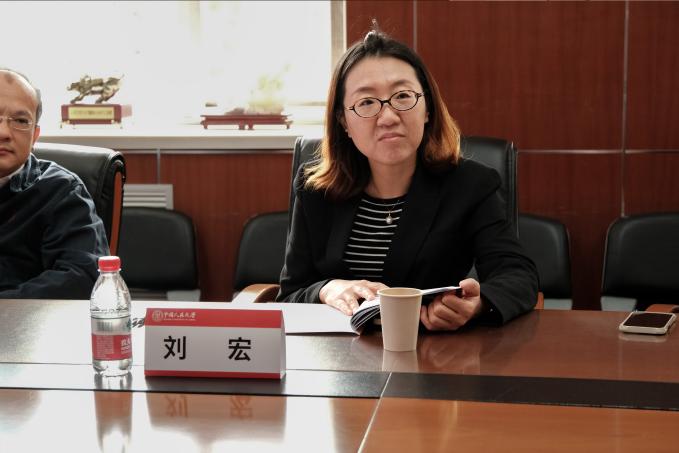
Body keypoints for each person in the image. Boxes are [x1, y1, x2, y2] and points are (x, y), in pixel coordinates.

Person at [277, 27, 539, 330]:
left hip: (434, 350)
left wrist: (478, 305)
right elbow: (291, 294)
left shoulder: (471, 185)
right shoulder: (315, 189)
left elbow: (518, 276)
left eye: (402, 96)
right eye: (366, 102)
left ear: (427, 109)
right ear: (343, 121)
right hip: (337, 354)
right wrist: (326, 289)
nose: (388, 117)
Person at [0, 68, 109, 299]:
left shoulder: (62, 191)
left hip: (26, 320)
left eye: (21, 121)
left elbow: (81, 277)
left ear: (34, 135)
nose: (4, 132)